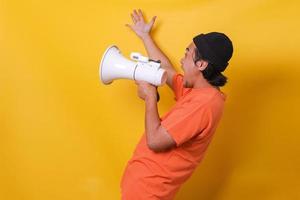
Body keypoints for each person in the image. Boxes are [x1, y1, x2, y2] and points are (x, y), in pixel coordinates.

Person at [120, 9, 233, 200]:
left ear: (201, 65)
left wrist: (149, 96)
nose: (181, 60)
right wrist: (145, 36)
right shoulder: (198, 92)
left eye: (187, 53)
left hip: (148, 192)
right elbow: (167, 72)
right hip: (141, 188)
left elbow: (155, 141)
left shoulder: (203, 104)